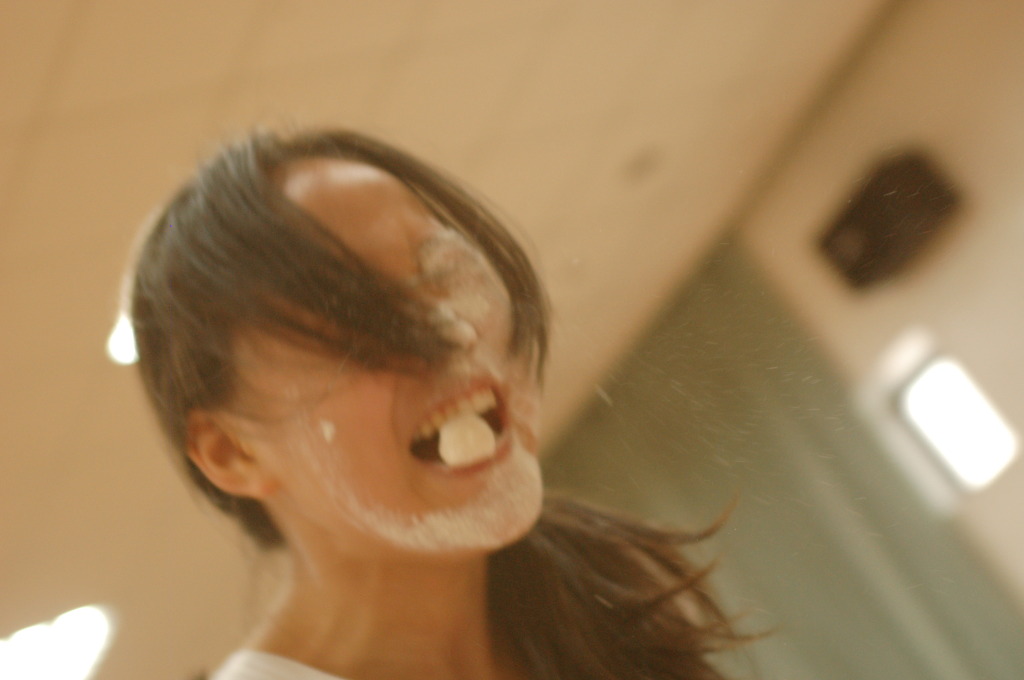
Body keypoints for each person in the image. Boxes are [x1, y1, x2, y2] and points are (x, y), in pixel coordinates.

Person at [128, 128, 743, 680]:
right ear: (232, 453)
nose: (452, 330)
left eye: (438, 269)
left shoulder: (608, 596)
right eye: (355, 315)